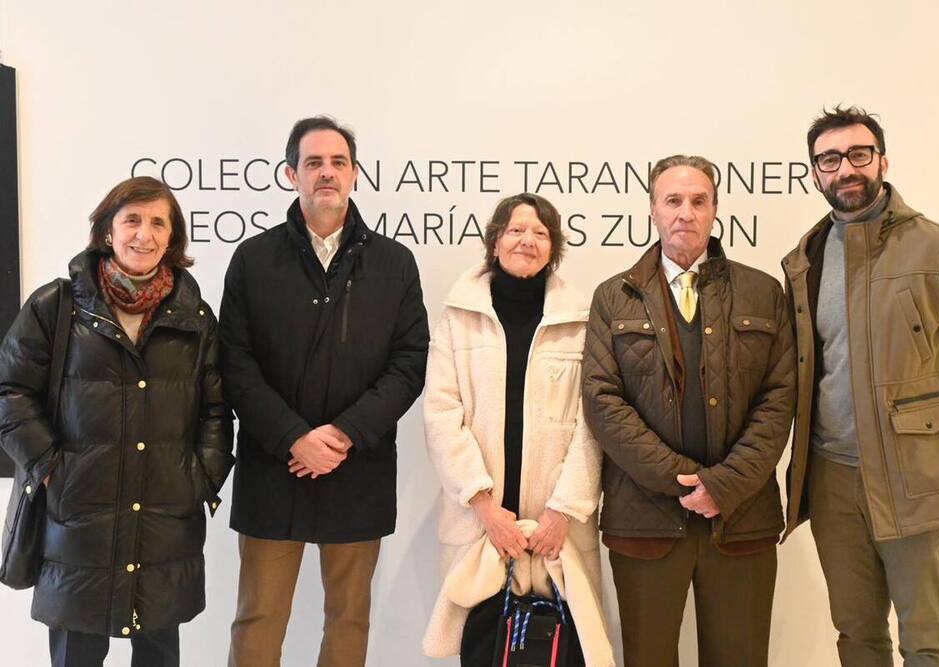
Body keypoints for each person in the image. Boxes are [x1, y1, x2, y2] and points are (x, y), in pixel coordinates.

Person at [782, 106, 939, 666]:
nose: (845, 169)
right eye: (829, 160)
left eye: (858, 154)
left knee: (926, 639)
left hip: (915, 476)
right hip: (832, 479)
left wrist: (932, 437)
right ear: (815, 172)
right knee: (857, 635)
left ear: (881, 160)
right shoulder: (805, 258)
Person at [0, 176, 234, 667]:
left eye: (157, 223)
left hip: (165, 523)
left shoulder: (194, 318)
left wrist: (201, 478)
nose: (143, 235)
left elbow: (217, 409)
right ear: (108, 231)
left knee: (158, 655)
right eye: (131, 220)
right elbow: (10, 392)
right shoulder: (56, 306)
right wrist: (49, 466)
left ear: (172, 238)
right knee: (76, 655)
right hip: (78, 520)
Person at [221, 115, 429, 667]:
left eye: (338, 162)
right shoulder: (253, 259)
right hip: (274, 467)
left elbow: (409, 365)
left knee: (349, 618)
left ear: (356, 175)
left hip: (356, 466)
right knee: (258, 617)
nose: (327, 173)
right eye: (313, 163)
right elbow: (235, 363)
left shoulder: (395, 263)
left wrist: (340, 435)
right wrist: (294, 437)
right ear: (291, 174)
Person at [582, 155, 796, 667]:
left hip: (741, 518)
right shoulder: (614, 297)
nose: (686, 212)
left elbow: (779, 398)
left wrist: (723, 485)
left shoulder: (763, 292)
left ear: (715, 209)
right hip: (646, 520)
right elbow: (603, 400)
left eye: (699, 201)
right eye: (673, 200)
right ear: (653, 210)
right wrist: (682, 481)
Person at [422, 193, 611, 667]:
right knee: (485, 651)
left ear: (554, 247)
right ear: (495, 241)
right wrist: (485, 507)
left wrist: (562, 513)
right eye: (515, 230)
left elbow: (594, 424)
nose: (526, 240)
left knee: (560, 655)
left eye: (540, 233)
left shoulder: (583, 320)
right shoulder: (459, 316)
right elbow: (442, 414)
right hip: (482, 530)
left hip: (557, 535)